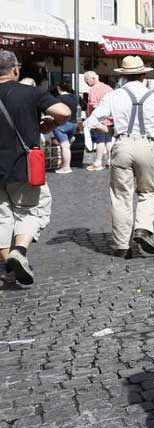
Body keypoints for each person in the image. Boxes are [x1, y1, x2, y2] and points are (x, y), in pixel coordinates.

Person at [84, 56, 154, 258]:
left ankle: (122, 246)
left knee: (121, 197)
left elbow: (92, 120)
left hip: (122, 145)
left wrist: (109, 130)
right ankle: (143, 229)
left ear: (124, 76)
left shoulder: (114, 95)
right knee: (149, 192)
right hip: (147, 146)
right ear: (143, 75)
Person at [0, 50, 71, 287]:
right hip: (24, 166)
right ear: (16, 70)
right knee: (32, 210)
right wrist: (51, 122)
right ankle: (19, 251)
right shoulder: (31, 92)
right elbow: (65, 112)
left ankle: (8, 267)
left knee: (2, 217)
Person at [83, 71, 115, 171]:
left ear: (92, 79)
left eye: (86, 81)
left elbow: (93, 104)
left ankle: (98, 162)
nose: (87, 83)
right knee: (109, 140)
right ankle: (110, 161)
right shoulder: (109, 88)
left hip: (99, 120)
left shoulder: (93, 89)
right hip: (110, 119)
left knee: (100, 140)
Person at [46, 80, 79, 175]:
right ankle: (65, 165)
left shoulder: (58, 98)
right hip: (73, 123)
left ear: (59, 88)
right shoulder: (74, 97)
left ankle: (66, 167)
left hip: (62, 125)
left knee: (64, 146)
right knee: (67, 146)